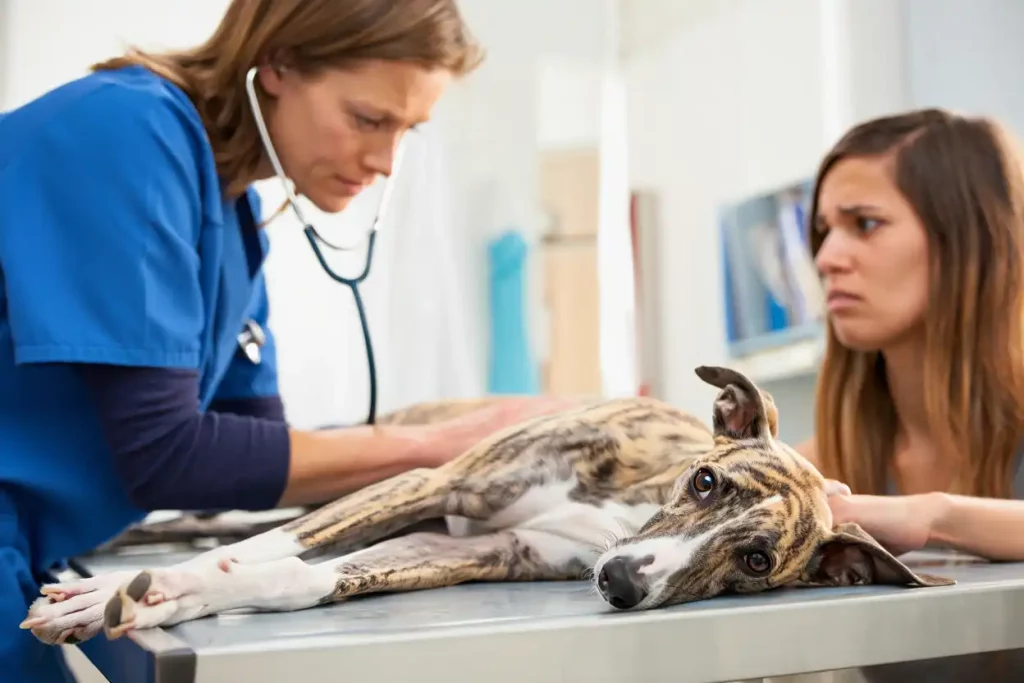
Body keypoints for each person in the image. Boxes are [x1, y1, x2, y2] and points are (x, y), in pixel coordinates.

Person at [0, 2, 578, 680]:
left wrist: (457, 458)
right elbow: (166, 453)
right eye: (368, 119)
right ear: (276, 64)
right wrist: (448, 444)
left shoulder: (236, 215)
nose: (387, 162)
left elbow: (248, 448)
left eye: (407, 131)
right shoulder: (127, 131)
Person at [798, 107, 1024, 680]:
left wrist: (933, 516)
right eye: (825, 230)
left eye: (865, 224)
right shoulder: (820, 468)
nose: (827, 259)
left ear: (967, 239)